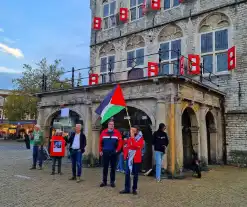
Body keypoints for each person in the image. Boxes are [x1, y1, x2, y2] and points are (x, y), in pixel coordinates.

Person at [120, 126, 144, 195]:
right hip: (129, 158)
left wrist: (133, 138)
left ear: (137, 131)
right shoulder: (129, 137)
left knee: (135, 174)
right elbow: (128, 146)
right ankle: (127, 188)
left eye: (133, 130)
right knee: (127, 173)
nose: (132, 131)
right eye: (131, 130)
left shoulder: (140, 138)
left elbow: (137, 146)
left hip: (136, 159)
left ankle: (134, 189)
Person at [99, 119, 122, 188]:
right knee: (105, 167)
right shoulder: (103, 132)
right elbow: (100, 142)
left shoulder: (117, 132)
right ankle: (104, 181)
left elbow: (120, 142)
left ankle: (112, 182)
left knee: (113, 168)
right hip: (105, 152)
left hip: (113, 152)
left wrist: (117, 150)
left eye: (113, 124)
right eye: (110, 124)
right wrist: (100, 150)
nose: (112, 125)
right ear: (108, 125)